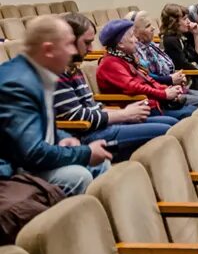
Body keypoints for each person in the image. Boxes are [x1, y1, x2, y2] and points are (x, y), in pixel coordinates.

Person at [0, 15, 111, 196]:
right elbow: (32, 153)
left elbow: (40, 126)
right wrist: (86, 153)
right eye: (68, 45)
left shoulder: (38, 74)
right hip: (10, 169)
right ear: (49, 50)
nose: (73, 51)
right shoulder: (18, 84)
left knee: (101, 165)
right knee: (78, 176)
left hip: (24, 159)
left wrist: (62, 137)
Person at [54, 13, 173, 161]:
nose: (91, 49)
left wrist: (127, 112)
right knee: (167, 131)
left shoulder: (73, 68)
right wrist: (124, 114)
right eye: (87, 43)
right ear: (69, 42)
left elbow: (90, 107)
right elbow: (77, 118)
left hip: (101, 126)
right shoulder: (57, 73)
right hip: (88, 136)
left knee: (171, 124)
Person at [96, 19, 196, 121]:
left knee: (194, 111)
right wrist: (164, 94)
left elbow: (147, 79)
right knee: (188, 116)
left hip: (153, 104)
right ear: (120, 44)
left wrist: (166, 89)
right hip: (137, 112)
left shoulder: (126, 58)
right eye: (131, 36)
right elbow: (134, 87)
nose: (136, 40)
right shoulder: (110, 64)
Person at [129, 10, 198, 105]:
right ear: (135, 32)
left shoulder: (151, 46)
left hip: (173, 87)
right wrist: (170, 79)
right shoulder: (134, 52)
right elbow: (146, 78)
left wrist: (176, 78)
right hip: (162, 95)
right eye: (148, 26)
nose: (153, 28)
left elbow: (172, 66)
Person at [160, 3, 198, 93]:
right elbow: (184, 65)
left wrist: (196, 34)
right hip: (185, 82)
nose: (188, 22)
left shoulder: (181, 37)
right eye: (184, 19)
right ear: (174, 22)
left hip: (192, 76)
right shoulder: (170, 40)